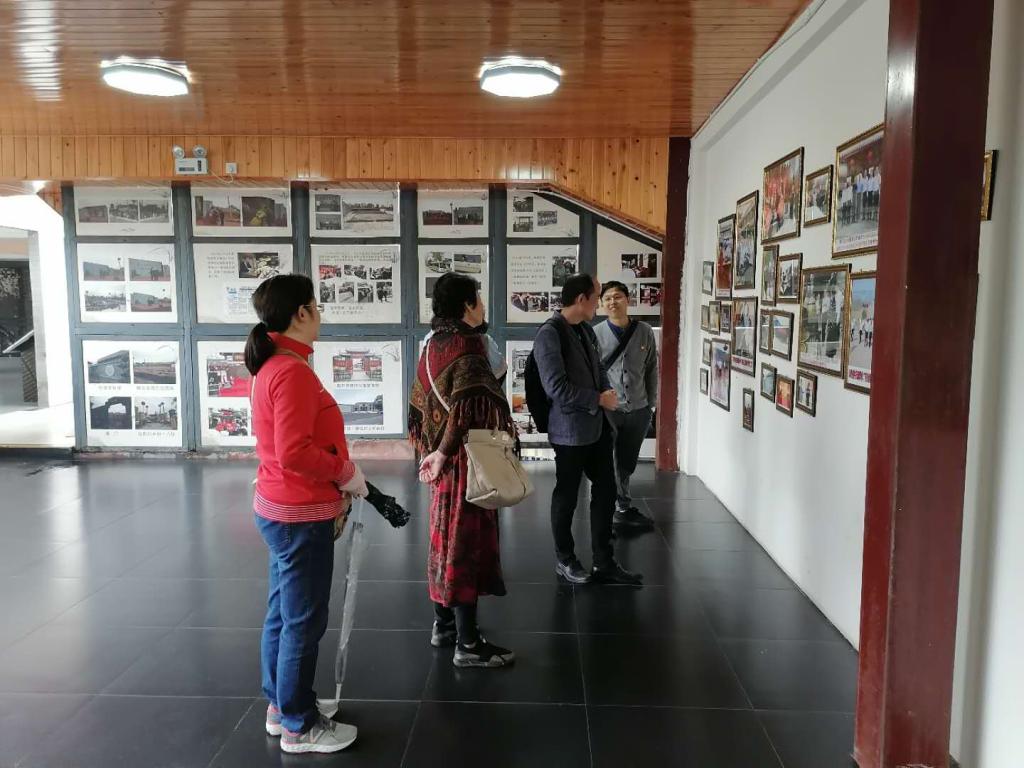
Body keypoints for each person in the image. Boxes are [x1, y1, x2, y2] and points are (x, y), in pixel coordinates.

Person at [246, 274, 367, 755]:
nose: (319, 314)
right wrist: (345, 472)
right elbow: (294, 451)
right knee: (302, 621)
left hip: (280, 508)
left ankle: (281, 705)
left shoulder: (275, 365)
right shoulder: (291, 371)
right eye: (316, 306)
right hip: (299, 514)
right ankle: (299, 724)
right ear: (301, 313)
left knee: (283, 613)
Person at [409, 272, 517, 669]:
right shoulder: (470, 345)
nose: (483, 306)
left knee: (442, 540)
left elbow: (420, 402)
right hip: (464, 461)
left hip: (441, 461)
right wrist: (444, 452)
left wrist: (431, 450)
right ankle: (468, 644)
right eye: (479, 299)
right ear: (468, 306)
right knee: (464, 546)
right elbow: (466, 409)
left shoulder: (431, 344)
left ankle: (444, 626)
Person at [533, 273, 644, 586]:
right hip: (569, 432)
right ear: (581, 299)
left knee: (606, 490)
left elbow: (599, 370)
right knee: (567, 496)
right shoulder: (549, 334)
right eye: (597, 297)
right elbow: (555, 388)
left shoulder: (584, 329)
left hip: (597, 426)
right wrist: (597, 398)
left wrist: (606, 392)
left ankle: (604, 562)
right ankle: (565, 559)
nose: (601, 303)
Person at [594, 281, 659, 531]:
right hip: (609, 410)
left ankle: (620, 504)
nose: (613, 302)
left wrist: (650, 404)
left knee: (627, 459)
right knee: (609, 459)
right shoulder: (595, 333)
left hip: (639, 409)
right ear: (601, 304)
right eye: (607, 298)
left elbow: (651, 368)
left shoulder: (644, 331)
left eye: (618, 297)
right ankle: (616, 506)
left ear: (628, 300)